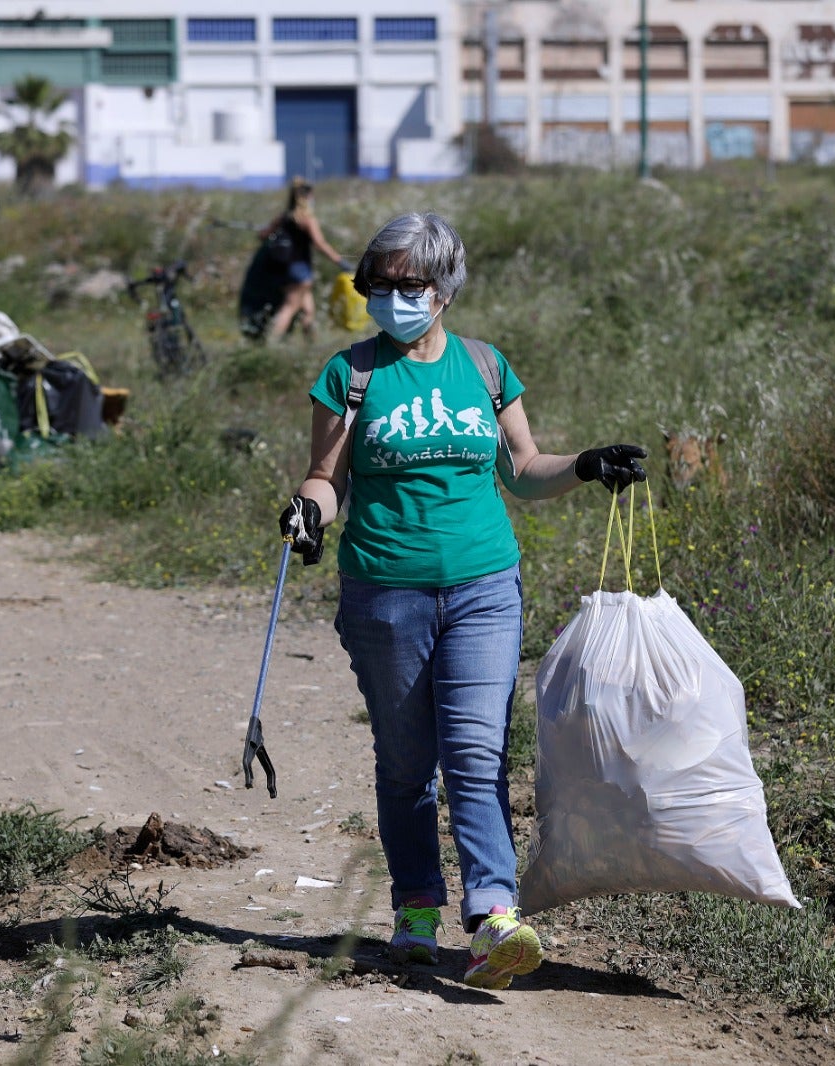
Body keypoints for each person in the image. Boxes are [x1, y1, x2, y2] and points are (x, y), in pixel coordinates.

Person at [277, 211, 647, 990]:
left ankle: (492, 919)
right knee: (409, 764)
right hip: (384, 591)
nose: (386, 296)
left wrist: (586, 464)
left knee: (476, 755)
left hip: (484, 586)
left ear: (443, 289)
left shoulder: (483, 367)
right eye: (372, 283)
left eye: (403, 283)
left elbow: (523, 467)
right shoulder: (353, 374)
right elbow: (327, 476)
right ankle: (415, 908)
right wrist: (309, 513)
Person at [259, 177, 348, 342]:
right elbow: (320, 244)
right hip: (300, 271)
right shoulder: (307, 219)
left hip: (283, 269)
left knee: (308, 311)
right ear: (307, 197)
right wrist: (340, 261)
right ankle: (270, 343)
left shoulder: (284, 217)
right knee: (290, 307)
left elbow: (263, 235)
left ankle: (311, 344)